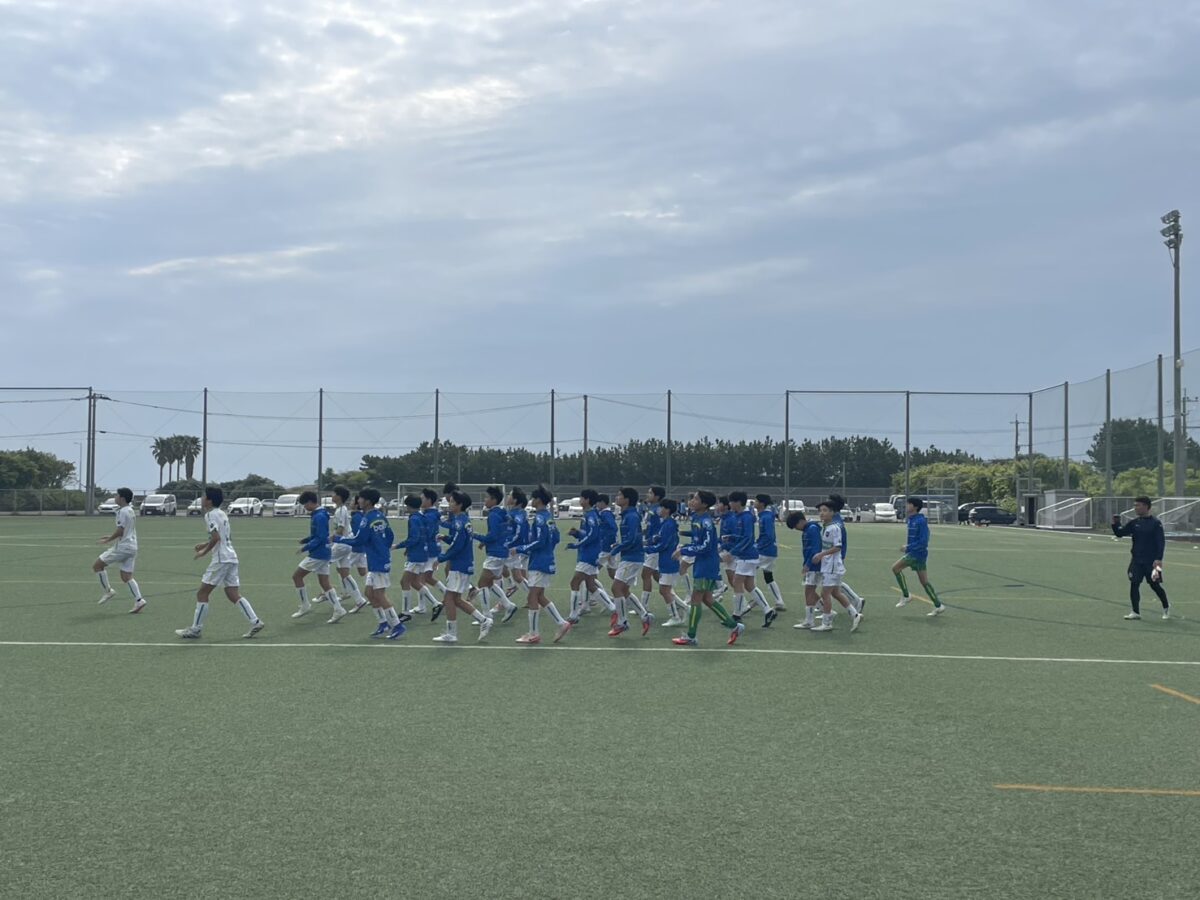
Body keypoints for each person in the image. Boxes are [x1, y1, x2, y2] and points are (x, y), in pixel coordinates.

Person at [176, 486, 265, 639]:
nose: (202, 499)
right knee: (232, 593)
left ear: (209, 500)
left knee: (202, 593)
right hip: (231, 557)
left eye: (204, 497)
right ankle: (255, 621)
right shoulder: (222, 513)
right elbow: (222, 537)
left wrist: (204, 552)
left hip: (221, 559)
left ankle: (195, 629)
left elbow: (216, 538)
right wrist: (205, 544)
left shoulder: (210, 515)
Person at [671, 490, 745, 646]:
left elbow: (705, 546)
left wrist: (683, 550)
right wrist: (685, 546)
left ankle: (691, 636)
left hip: (707, 564)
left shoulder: (706, 522)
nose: (692, 501)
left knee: (696, 598)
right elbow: (698, 542)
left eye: (696, 499)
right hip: (702, 562)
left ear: (704, 504)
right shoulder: (696, 518)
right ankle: (734, 626)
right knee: (707, 598)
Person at [333, 488, 406, 640]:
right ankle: (383, 623)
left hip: (378, 561)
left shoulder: (367, 519)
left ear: (367, 501)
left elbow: (358, 540)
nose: (358, 501)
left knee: (379, 594)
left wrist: (338, 539)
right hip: (377, 559)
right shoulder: (379, 515)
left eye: (360, 498)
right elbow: (390, 535)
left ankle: (397, 625)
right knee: (369, 593)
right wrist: (383, 548)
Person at [432, 491, 494, 643]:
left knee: (450, 598)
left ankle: (453, 633)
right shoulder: (463, 520)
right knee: (456, 599)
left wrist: (441, 558)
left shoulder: (460, 522)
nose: (449, 504)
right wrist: (445, 537)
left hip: (459, 565)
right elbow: (458, 541)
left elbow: (457, 546)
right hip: (464, 563)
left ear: (460, 505)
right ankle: (483, 620)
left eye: (452, 501)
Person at [514, 485, 572, 644]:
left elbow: (539, 541)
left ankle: (533, 633)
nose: (531, 501)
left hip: (539, 562)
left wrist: (521, 548)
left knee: (532, 595)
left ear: (538, 500)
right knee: (539, 596)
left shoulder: (540, 518)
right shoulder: (549, 517)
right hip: (546, 560)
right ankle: (561, 623)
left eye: (533, 498)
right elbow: (556, 538)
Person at [290, 491, 347, 624]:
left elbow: (320, 537)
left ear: (310, 502)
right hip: (324, 553)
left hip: (318, 554)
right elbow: (318, 535)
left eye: (305, 505)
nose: (305, 508)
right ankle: (338, 609)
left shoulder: (319, 516)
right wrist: (306, 540)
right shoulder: (319, 514)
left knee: (297, 577)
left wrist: (305, 547)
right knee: (324, 582)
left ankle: (305, 605)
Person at [1112, 496, 1171, 620]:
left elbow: (1161, 542)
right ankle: (1135, 612)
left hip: (1153, 561)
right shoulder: (1134, 523)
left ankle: (1166, 607)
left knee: (1155, 585)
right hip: (1137, 560)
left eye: (1138, 505)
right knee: (1134, 583)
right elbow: (1120, 533)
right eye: (1135, 505)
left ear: (1146, 506)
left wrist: (1159, 559)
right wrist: (1115, 524)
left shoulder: (1156, 523)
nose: (1135, 508)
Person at [809, 501, 863, 633]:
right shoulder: (825, 527)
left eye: (825, 510)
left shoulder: (834, 528)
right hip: (828, 564)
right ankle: (855, 614)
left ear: (832, 512)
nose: (822, 513)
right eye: (820, 511)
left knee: (825, 593)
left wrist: (821, 555)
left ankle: (826, 623)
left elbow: (837, 547)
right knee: (836, 593)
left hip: (832, 565)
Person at [608, 486, 655, 636]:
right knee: (624, 590)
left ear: (627, 499)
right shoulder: (628, 515)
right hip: (630, 556)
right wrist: (619, 545)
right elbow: (630, 538)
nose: (617, 497)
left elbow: (633, 539)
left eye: (619, 495)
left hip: (632, 557)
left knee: (616, 588)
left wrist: (616, 549)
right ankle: (644, 616)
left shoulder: (632, 516)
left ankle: (622, 622)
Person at [724, 491, 776, 627]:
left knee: (737, 582)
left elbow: (748, 538)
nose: (729, 504)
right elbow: (742, 537)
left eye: (731, 501)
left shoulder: (746, 517)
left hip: (747, 556)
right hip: (746, 556)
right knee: (749, 586)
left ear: (738, 502)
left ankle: (737, 614)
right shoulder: (740, 516)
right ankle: (768, 611)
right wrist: (731, 538)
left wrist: (733, 552)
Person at [567, 488, 617, 623]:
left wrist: (577, 544)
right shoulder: (590, 514)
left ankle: (573, 615)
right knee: (591, 584)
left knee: (575, 582)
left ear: (587, 500)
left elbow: (593, 534)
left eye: (581, 498)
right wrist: (578, 533)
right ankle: (613, 608)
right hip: (590, 552)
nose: (580, 500)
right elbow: (590, 533)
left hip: (589, 554)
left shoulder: (591, 515)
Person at [472, 486, 520, 624]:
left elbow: (493, 535)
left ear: (493, 500)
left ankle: (486, 616)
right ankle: (508, 606)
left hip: (495, 553)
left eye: (487, 497)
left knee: (482, 583)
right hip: (502, 551)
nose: (485, 500)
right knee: (489, 582)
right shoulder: (503, 513)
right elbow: (502, 531)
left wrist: (476, 536)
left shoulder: (493, 515)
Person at [94, 486, 146, 613]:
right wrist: (111, 536)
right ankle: (139, 600)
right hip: (132, 546)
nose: (115, 497)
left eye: (117, 495)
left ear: (122, 498)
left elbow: (120, 530)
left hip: (123, 547)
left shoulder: (122, 512)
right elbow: (126, 530)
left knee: (97, 566)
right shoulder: (130, 510)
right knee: (126, 576)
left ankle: (108, 591)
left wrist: (108, 540)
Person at [893, 497, 944, 616]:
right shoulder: (912, 520)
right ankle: (938, 605)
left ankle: (906, 595)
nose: (906, 506)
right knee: (924, 581)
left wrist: (908, 547)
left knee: (895, 568)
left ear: (915, 507)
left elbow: (924, 541)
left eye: (909, 504)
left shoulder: (920, 521)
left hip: (916, 554)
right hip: (916, 554)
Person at [644, 499, 688, 626]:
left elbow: (663, 544)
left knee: (664, 590)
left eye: (661, 507)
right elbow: (659, 538)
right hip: (665, 560)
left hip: (669, 560)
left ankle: (675, 616)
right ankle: (685, 609)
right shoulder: (666, 523)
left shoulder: (669, 524)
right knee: (665, 589)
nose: (659, 510)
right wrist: (649, 542)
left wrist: (647, 548)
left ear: (667, 510)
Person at [329, 485, 368, 614]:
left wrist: (330, 539)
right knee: (344, 572)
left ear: (339, 496)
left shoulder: (341, 510)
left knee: (321, 563)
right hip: (347, 544)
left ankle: (325, 592)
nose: (332, 496)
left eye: (334, 493)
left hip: (343, 543)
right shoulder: (341, 509)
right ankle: (359, 600)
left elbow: (340, 530)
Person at [396, 494, 433, 620]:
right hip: (422, 553)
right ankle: (435, 603)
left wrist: (398, 545)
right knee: (415, 582)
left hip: (416, 555)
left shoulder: (414, 519)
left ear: (409, 506)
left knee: (404, 581)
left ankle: (406, 612)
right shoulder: (422, 517)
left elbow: (414, 538)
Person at [828, 494, 866, 613]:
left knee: (832, 585)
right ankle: (855, 601)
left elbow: (837, 544)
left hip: (835, 557)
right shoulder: (833, 520)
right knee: (832, 585)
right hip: (833, 557)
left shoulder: (836, 523)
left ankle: (855, 601)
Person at [786, 509, 824, 630]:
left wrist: (808, 564)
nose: (796, 529)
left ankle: (809, 620)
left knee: (809, 591)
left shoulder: (812, 529)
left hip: (814, 565)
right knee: (810, 590)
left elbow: (815, 548)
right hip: (811, 564)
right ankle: (824, 610)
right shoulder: (807, 530)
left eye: (795, 526)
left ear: (801, 521)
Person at [754, 494, 785, 612]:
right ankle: (779, 601)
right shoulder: (765, 515)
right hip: (770, 551)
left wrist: (757, 546)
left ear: (762, 504)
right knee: (768, 576)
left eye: (756, 501)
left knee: (747, 573)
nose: (754, 503)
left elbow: (768, 536)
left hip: (764, 551)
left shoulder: (765, 517)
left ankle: (757, 598)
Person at [639, 485, 666, 613]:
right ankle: (674, 600)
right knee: (656, 576)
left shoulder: (659, 510)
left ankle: (643, 606)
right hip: (649, 545)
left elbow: (661, 529)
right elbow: (649, 526)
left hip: (655, 547)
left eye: (650, 493)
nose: (647, 495)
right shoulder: (651, 508)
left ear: (657, 496)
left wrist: (651, 540)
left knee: (645, 574)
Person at [504, 487, 531, 598]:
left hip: (515, 548)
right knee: (519, 576)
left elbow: (518, 533)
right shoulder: (517, 513)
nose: (507, 497)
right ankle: (533, 599)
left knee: (496, 568)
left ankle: (534, 598)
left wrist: (507, 544)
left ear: (515, 500)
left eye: (510, 495)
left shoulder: (517, 515)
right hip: (521, 547)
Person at [595, 493, 619, 588]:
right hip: (611, 547)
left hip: (606, 547)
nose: (596, 504)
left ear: (602, 502)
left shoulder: (606, 514)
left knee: (592, 570)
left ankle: (596, 593)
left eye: (597, 502)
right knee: (612, 573)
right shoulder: (603, 513)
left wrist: (607, 541)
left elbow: (613, 528)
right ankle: (623, 590)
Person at [715, 495, 736, 599]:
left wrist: (721, 547)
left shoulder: (732, 519)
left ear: (726, 506)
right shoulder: (724, 518)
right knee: (733, 581)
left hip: (731, 550)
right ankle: (744, 603)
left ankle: (720, 586)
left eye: (719, 503)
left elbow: (734, 538)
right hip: (726, 549)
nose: (717, 506)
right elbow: (722, 538)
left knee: (710, 560)